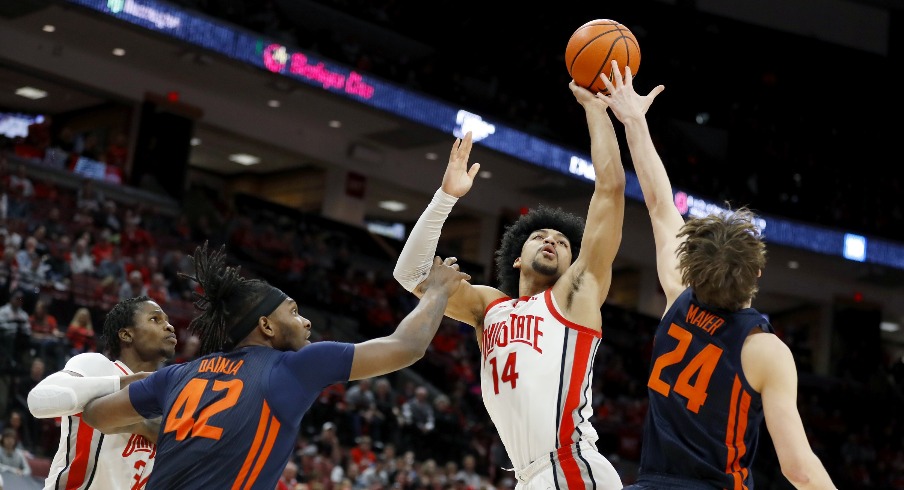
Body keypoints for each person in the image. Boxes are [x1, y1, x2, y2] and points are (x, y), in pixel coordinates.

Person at [598, 61, 837, 490]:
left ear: (690, 265)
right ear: (758, 272)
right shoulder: (765, 352)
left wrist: (633, 119)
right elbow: (798, 469)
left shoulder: (677, 298)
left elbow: (658, 202)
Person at [79, 242, 469, 489]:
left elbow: (96, 415)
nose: (306, 321)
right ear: (265, 325)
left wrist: (156, 425)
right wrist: (437, 290)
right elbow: (407, 346)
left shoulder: (179, 374)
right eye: (294, 312)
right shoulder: (296, 367)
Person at [392, 79, 627, 489]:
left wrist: (595, 110)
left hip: (569, 465)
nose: (551, 240)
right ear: (517, 257)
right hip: (530, 475)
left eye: (563, 242)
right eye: (540, 236)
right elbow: (409, 274)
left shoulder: (575, 296)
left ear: (575, 263)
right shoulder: (489, 307)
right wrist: (446, 196)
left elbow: (610, 190)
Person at [27, 296, 177, 489]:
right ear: (126, 334)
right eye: (155, 319)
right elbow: (38, 401)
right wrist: (128, 382)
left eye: (167, 320)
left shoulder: (168, 400)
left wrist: (146, 427)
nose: (169, 326)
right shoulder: (99, 366)